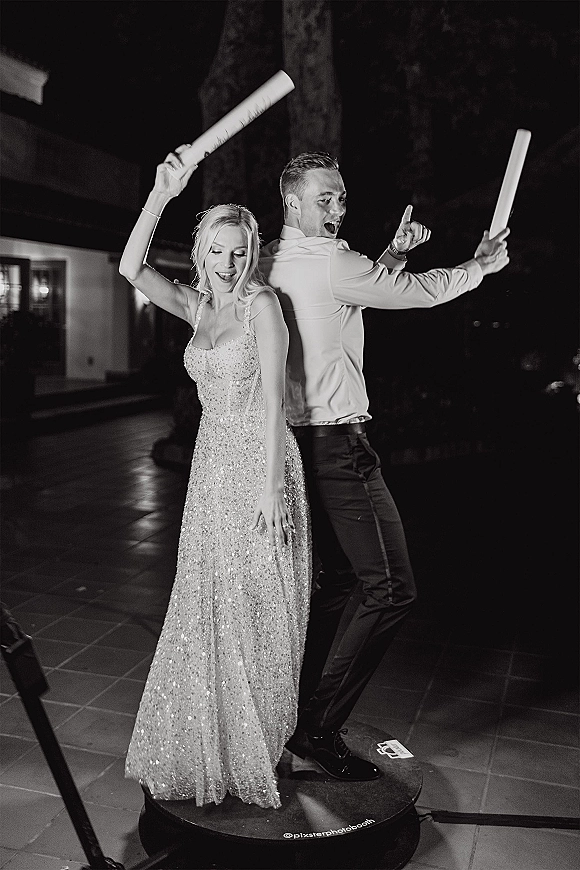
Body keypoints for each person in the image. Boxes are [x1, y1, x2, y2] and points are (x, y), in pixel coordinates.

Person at [259, 151, 509, 782]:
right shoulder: (332, 262)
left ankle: (294, 712)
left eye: (342, 198)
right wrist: (479, 266)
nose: (338, 209)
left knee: (340, 585)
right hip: (339, 448)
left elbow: (346, 299)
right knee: (392, 588)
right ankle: (316, 728)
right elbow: (416, 293)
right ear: (291, 199)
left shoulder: (273, 262)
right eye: (326, 199)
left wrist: (390, 254)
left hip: (300, 447)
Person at [121, 146, 311, 809]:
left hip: (260, 462)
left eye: (238, 251)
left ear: (251, 251)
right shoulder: (200, 309)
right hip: (209, 467)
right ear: (202, 252)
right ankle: (213, 740)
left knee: (255, 606)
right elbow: (129, 268)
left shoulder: (263, 306)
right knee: (208, 601)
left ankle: (255, 740)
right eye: (217, 252)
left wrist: (267, 489)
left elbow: (275, 406)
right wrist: (160, 191)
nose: (228, 263)